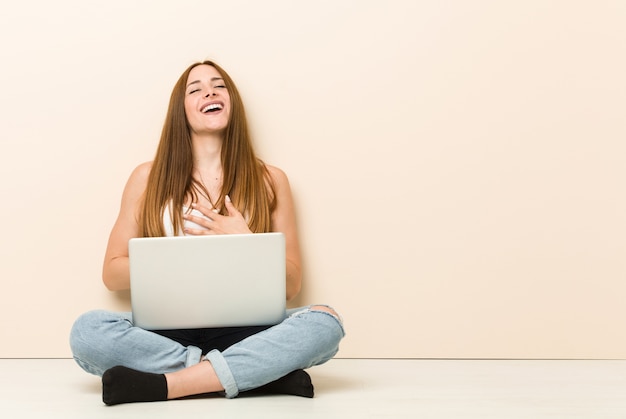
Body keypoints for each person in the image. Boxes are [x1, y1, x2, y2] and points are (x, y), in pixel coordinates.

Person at [69, 60, 345, 405]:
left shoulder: (272, 180)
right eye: (195, 89)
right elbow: (112, 272)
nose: (209, 92)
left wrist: (246, 245)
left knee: (326, 323)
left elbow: (291, 286)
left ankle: (169, 384)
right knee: (88, 332)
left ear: (232, 102)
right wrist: (178, 261)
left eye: (218, 86)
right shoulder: (146, 177)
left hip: (248, 331)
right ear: (180, 111)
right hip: (168, 332)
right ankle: (252, 376)